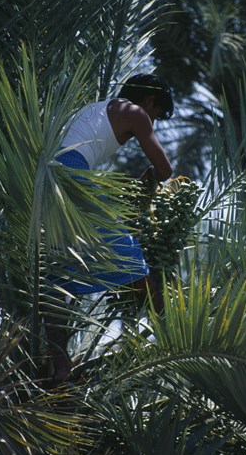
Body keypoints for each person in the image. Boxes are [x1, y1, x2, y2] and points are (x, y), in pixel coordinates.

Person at [45, 73, 174, 383]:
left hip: (45, 183)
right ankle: (172, 334)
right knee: (132, 258)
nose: (152, 121)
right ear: (149, 101)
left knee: (54, 281)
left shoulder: (95, 109)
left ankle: (61, 370)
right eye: (156, 114)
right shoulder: (135, 112)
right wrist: (150, 178)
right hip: (73, 176)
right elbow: (165, 170)